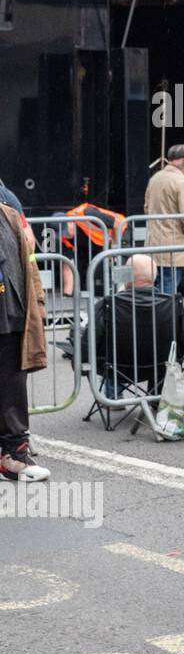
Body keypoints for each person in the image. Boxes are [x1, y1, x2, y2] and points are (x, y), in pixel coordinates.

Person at [88, 254, 184, 401]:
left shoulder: (109, 304)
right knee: (164, 350)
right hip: (160, 365)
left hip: (117, 368)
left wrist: (79, 358)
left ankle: (114, 396)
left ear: (126, 275)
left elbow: (90, 340)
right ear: (155, 276)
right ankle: (156, 398)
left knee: (110, 350)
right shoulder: (172, 304)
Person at [0, 200, 49, 483]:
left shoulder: (8, 212)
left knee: (12, 386)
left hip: (13, 313)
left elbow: (28, 262)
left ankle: (14, 454)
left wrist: (37, 305)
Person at [144, 143, 184, 295]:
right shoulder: (182, 182)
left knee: (155, 290)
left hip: (154, 246)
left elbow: (146, 208)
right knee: (168, 291)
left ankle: (155, 318)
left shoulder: (155, 178)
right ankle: (165, 319)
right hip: (174, 250)